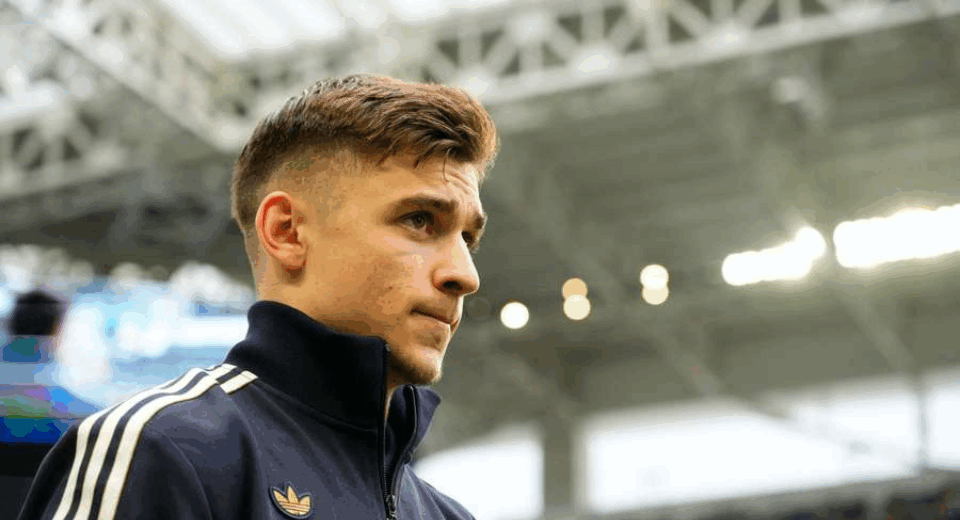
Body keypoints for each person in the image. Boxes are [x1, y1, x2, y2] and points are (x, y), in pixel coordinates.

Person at [17, 73, 499, 520]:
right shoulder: (163, 449)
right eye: (419, 220)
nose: (466, 274)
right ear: (287, 232)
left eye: (468, 239)